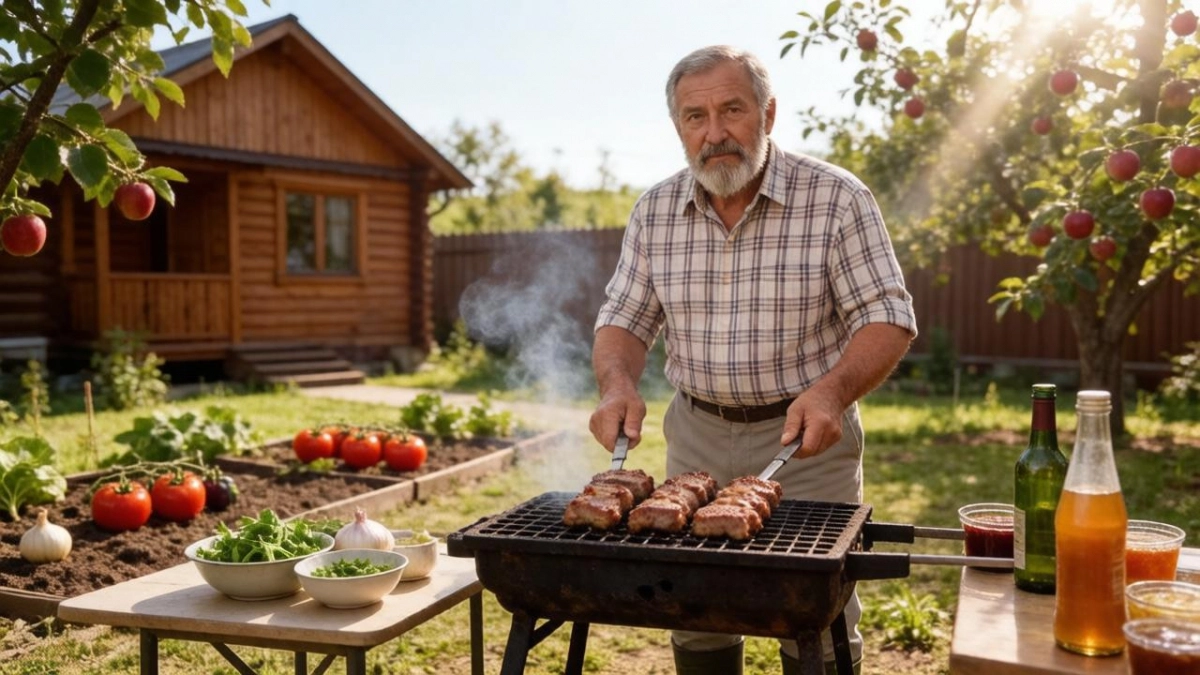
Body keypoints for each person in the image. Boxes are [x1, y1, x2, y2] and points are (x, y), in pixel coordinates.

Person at [589, 45, 918, 675]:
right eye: (695, 117)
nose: (715, 134)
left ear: (768, 113)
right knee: (697, 616)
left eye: (732, 110)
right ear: (678, 126)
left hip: (807, 440)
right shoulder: (654, 211)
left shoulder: (837, 198)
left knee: (812, 623)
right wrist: (616, 385)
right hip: (696, 435)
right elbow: (624, 320)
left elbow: (888, 317)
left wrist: (831, 393)